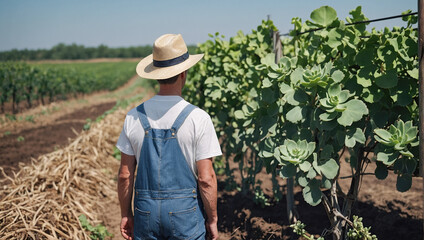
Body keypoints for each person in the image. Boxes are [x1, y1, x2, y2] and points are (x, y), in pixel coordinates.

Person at [116, 34, 222, 240]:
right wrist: (212, 218)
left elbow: (125, 175)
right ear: (183, 73)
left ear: (156, 75)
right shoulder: (198, 118)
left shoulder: (133, 117)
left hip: (145, 213)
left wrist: (125, 214)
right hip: (186, 215)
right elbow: (206, 178)